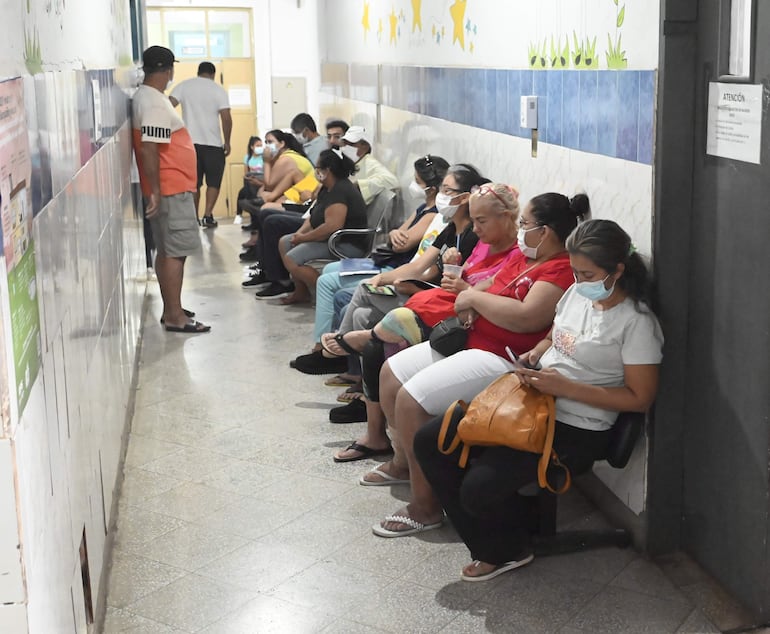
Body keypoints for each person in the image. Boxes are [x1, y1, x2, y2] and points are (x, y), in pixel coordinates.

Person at [414, 219, 664, 580]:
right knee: (431, 440)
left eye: (588, 274)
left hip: (578, 425)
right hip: (534, 401)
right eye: (575, 272)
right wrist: (536, 352)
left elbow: (641, 398)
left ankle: (506, 548)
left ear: (618, 270)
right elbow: (555, 336)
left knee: (477, 489)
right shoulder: (577, 294)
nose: (579, 282)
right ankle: (508, 527)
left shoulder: (636, 323)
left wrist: (566, 389)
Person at [368, 192, 589, 535]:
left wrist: (473, 298)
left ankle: (425, 507)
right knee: (391, 373)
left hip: (503, 358)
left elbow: (527, 317)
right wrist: (472, 297)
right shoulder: (526, 259)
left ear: (544, 231)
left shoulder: (559, 268)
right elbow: (486, 287)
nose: (520, 231)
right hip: (472, 340)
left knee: (410, 400)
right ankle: (403, 463)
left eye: (526, 224)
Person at [329, 183, 520, 455]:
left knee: (377, 343)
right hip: (450, 305)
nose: (476, 229)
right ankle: (379, 434)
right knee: (367, 316)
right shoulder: (474, 240)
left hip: (463, 321)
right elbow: (458, 277)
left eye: (482, 221)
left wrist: (460, 287)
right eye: (475, 221)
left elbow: (484, 298)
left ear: (506, 217)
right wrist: (454, 268)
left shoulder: (515, 257)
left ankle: (365, 343)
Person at [289, 155, 450, 375]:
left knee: (328, 283)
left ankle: (326, 348)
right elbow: (398, 234)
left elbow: (404, 244)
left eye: (416, 180)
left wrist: (397, 236)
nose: (413, 185)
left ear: (430, 186)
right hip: (387, 259)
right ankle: (334, 346)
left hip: (395, 267)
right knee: (328, 270)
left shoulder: (435, 215)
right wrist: (395, 233)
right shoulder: (423, 208)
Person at [132, 45, 209, 333]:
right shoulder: (152, 102)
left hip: (170, 186)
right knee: (175, 251)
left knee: (169, 250)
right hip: (170, 188)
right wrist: (155, 190)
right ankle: (175, 316)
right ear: (168, 70)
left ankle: (172, 309)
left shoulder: (151, 98)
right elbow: (150, 148)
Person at [255, 148, 368, 302]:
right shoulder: (326, 189)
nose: (316, 171)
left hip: (345, 243)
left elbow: (332, 227)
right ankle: (301, 292)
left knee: (291, 259)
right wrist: (299, 234)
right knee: (284, 242)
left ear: (327, 170)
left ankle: (330, 295)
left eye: (318, 167)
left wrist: (303, 239)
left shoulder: (340, 190)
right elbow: (314, 216)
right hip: (331, 239)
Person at [238, 130, 319, 261]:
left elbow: (269, 184)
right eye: (265, 142)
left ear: (281, 144)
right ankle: (258, 248)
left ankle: (259, 250)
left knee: (266, 207)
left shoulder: (286, 159)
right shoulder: (286, 157)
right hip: (298, 195)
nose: (266, 146)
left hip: (307, 200)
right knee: (263, 198)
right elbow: (271, 185)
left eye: (270, 142)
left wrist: (266, 161)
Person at [169, 61, 232, 228]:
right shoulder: (218, 90)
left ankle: (193, 218)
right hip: (213, 145)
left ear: (198, 72)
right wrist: (228, 142)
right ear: (213, 74)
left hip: (189, 145)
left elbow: (168, 106)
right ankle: (208, 215)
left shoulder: (184, 86)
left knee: (193, 184)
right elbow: (226, 118)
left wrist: (174, 131)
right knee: (214, 182)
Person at [339, 126, 398, 205]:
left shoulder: (369, 162)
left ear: (365, 146)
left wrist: (359, 185)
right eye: (345, 143)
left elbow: (392, 181)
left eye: (351, 144)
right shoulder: (349, 161)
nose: (346, 147)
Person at [233, 136, 264, 225]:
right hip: (251, 181)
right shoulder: (247, 157)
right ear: (252, 147)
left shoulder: (264, 157)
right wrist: (248, 177)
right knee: (242, 192)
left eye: (261, 145)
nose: (260, 148)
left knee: (247, 193)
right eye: (258, 146)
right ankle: (239, 215)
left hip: (261, 181)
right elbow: (246, 173)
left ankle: (252, 221)